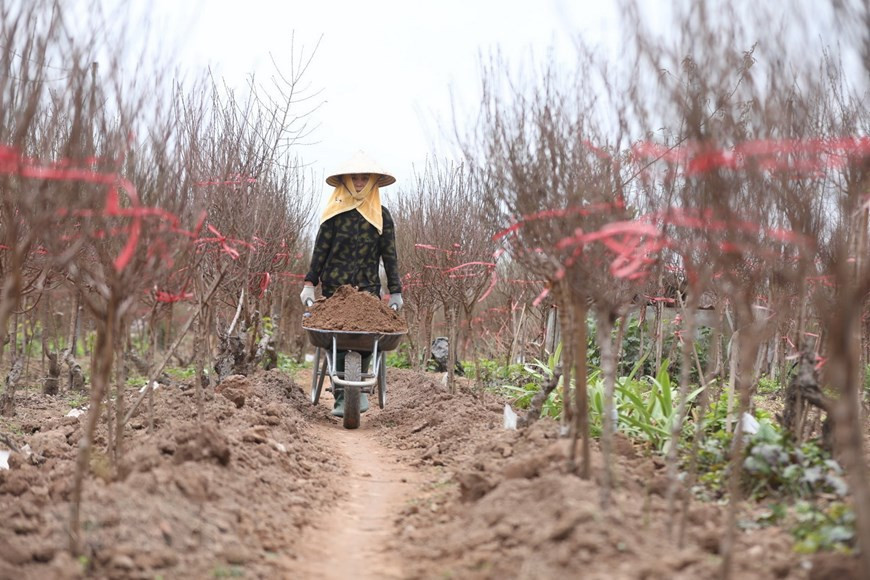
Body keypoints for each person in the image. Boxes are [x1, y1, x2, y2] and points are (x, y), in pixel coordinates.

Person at [300, 150, 403, 417]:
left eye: (364, 178)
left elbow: (389, 256)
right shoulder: (334, 215)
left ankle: (360, 388)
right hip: (335, 291)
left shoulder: (382, 216)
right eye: (354, 177)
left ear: (371, 182)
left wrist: (396, 291)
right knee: (334, 339)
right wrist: (310, 282)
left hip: (368, 291)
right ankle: (341, 393)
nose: (359, 181)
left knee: (367, 339)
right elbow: (320, 250)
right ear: (346, 181)